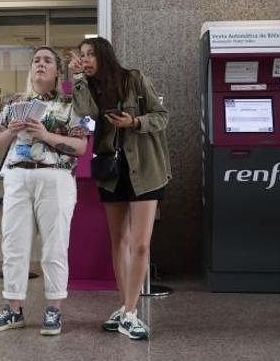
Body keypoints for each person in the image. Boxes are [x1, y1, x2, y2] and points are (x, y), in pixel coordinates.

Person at [68, 37, 170, 341]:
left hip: (146, 171)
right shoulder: (90, 87)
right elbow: (85, 114)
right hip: (112, 172)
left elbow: (161, 116)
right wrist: (77, 79)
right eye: (82, 55)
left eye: (91, 55)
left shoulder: (134, 79)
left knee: (140, 244)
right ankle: (126, 307)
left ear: (104, 56)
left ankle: (129, 311)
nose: (86, 59)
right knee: (119, 240)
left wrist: (134, 122)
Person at [0, 46, 90, 336]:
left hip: (54, 177)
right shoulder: (15, 103)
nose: (40, 65)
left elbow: (80, 147)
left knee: (55, 246)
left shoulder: (71, 104)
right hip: (17, 176)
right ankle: (13, 309)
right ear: (31, 70)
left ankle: (53, 309)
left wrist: (45, 135)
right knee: (13, 245)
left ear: (57, 72)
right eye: (36, 61)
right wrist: (11, 130)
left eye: (47, 61)